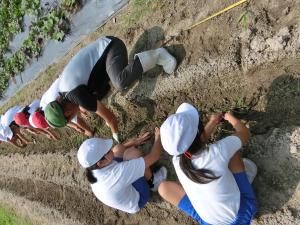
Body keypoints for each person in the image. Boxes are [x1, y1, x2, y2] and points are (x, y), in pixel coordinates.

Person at [44, 36, 177, 143]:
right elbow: (84, 102)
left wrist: (116, 136)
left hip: (111, 47)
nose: (75, 117)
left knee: (121, 83)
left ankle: (159, 55)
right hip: (102, 55)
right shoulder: (64, 92)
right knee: (96, 99)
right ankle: (129, 67)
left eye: (71, 118)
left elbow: (112, 118)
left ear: (67, 113)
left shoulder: (76, 95)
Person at [158, 103, 258, 225]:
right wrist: (229, 116)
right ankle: (246, 178)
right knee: (233, 153)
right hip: (241, 216)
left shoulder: (177, 160)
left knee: (163, 188)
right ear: (199, 131)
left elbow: (194, 144)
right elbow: (244, 133)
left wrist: (213, 123)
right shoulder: (218, 151)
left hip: (209, 222)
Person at [77, 128, 167, 214]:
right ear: (100, 163)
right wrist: (158, 136)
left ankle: (146, 176)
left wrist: (136, 141)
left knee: (117, 148)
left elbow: (116, 150)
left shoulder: (93, 169)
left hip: (121, 188)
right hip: (139, 198)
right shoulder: (117, 174)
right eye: (108, 151)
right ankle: (153, 182)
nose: (110, 149)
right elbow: (154, 156)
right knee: (132, 154)